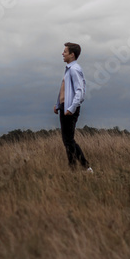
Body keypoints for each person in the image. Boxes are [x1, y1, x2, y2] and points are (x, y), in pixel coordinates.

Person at [53, 42, 92, 172]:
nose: (62, 54)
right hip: (65, 108)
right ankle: (76, 168)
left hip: (69, 109)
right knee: (67, 140)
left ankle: (83, 168)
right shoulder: (69, 70)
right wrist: (58, 105)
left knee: (68, 140)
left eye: (65, 51)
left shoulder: (75, 70)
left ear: (72, 54)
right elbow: (64, 90)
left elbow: (80, 91)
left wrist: (71, 108)